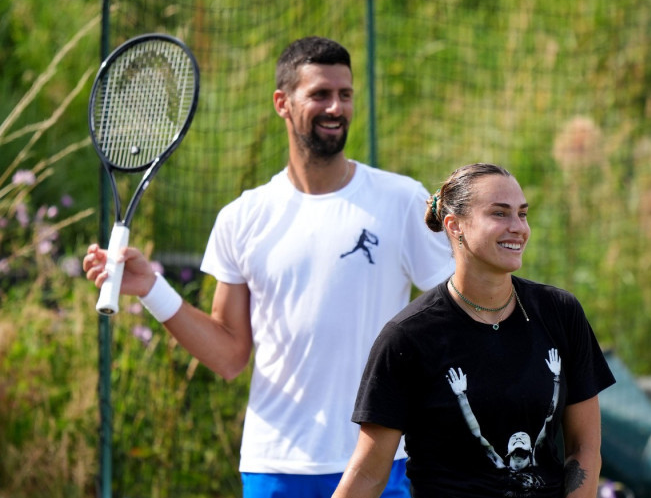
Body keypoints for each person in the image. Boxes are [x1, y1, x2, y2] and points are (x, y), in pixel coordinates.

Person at [82, 36, 454, 498]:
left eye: (345, 94)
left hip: (380, 463)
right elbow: (229, 354)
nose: (335, 107)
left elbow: (460, 306)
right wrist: (150, 287)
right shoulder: (242, 217)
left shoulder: (401, 200)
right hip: (274, 465)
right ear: (282, 102)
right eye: (320, 94)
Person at [332, 163, 616, 498]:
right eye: (499, 214)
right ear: (455, 227)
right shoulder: (408, 338)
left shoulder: (561, 313)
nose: (518, 228)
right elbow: (367, 473)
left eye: (522, 214)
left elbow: (584, 449)